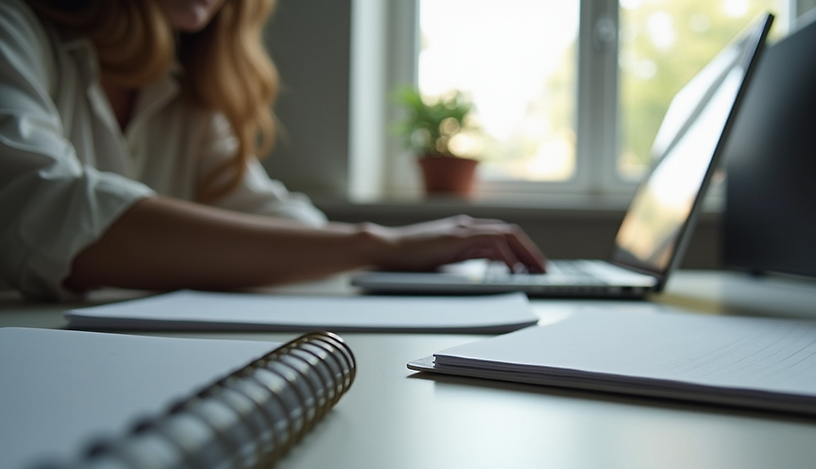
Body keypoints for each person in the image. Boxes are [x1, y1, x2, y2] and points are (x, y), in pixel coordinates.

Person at [0, 0, 547, 301]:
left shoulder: (187, 86)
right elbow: (51, 214)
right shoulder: (14, 29)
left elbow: (272, 220)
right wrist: (378, 243)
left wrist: (404, 257)